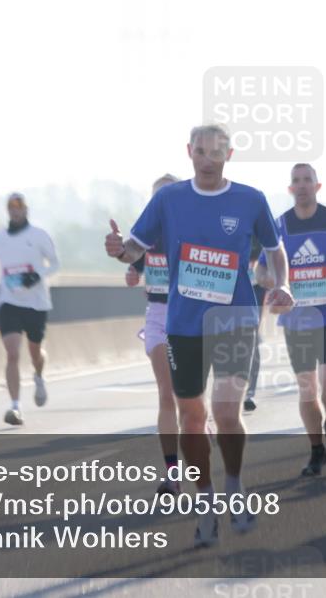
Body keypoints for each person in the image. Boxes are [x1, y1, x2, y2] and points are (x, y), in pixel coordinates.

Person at [104, 124, 293, 547]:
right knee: (192, 418)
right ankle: (205, 500)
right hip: (184, 325)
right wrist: (120, 250)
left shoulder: (250, 199)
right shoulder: (168, 200)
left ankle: (235, 485)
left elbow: (274, 249)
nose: (209, 159)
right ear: (189, 152)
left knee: (226, 413)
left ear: (231, 154)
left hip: (235, 320)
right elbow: (136, 248)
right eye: (202, 151)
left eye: (217, 151)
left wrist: (284, 284)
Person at [256, 163, 326, 476]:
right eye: (297, 181)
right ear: (290, 188)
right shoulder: (278, 225)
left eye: (308, 180)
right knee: (307, 389)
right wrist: (274, 283)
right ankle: (316, 450)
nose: (303, 185)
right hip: (295, 320)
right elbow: (259, 269)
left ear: (318, 186)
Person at [125, 174, 181, 494]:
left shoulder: (190, 231)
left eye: (168, 196)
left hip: (189, 316)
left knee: (189, 397)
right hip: (158, 315)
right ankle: (172, 474)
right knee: (167, 392)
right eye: (156, 197)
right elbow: (133, 263)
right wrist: (131, 271)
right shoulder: (145, 236)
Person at [0, 193, 60, 425]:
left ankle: (38, 375)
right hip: (9, 302)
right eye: (11, 207)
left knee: (35, 352)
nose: (15, 210)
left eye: (19, 207)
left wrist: (36, 276)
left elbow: (55, 264)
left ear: (26, 210)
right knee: (12, 353)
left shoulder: (39, 235)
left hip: (36, 303)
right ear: (7, 210)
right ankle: (15, 407)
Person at [243, 237, 266, 412]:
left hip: (257, 288)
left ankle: (250, 392)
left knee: (252, 337)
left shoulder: (258, 225)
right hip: (233, 286)